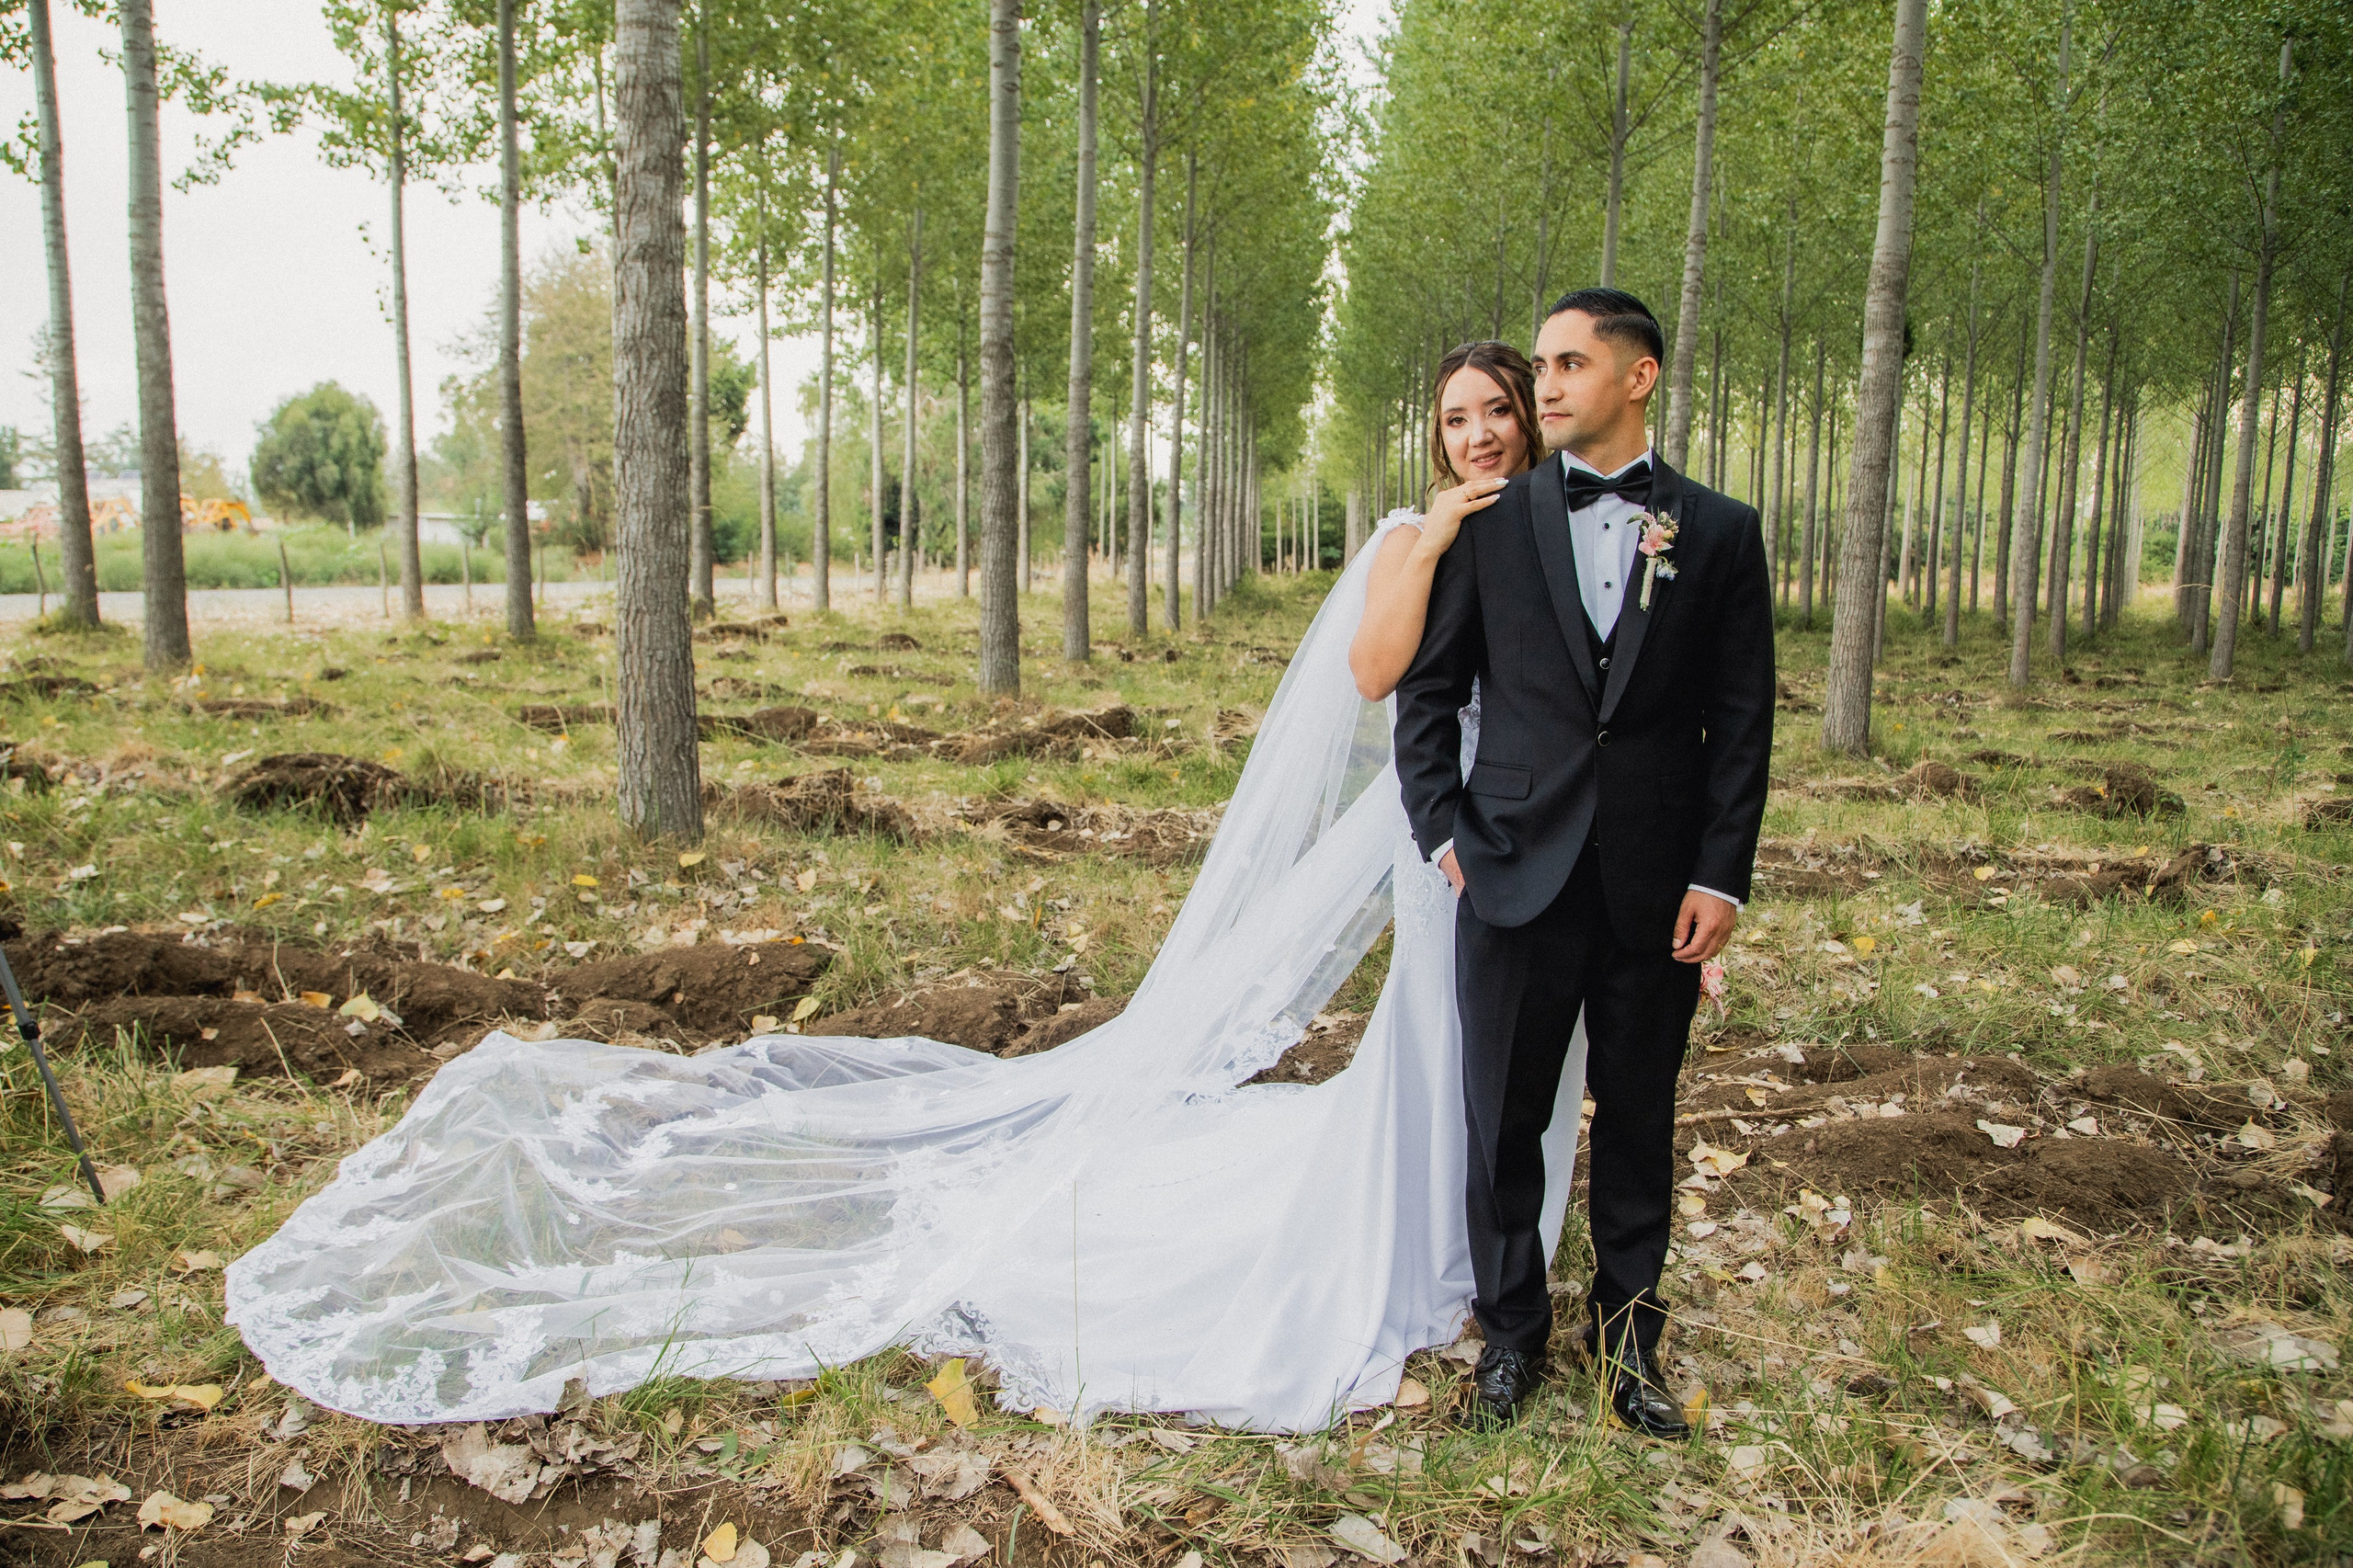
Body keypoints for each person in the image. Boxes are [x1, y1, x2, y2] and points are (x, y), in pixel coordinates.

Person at [223, 343, 1586, 1436]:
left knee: (1517, 1043)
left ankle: (1497, 1246)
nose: (1477, 433)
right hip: (1445, 824)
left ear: (1535, 416)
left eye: (1496, 412)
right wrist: (1431, 541)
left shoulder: (1556, 519)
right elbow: (1377, 677)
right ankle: (1420, 1253)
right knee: (1435, 1030)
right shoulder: (1424, 529)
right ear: (1437, 435)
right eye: (1456, 416)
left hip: (1551, 827)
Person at [1393, 287, 1775, 1437]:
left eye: (1566, 364)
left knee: (1640, 1119)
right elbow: (1428, 693)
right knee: (1502, 1120)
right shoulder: (1485, 523)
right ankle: (1510, 1341)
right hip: (1509, 869)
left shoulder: (1718, 531)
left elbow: (1740, 715)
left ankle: (1628, 1348)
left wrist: (1720, 875)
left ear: (1637, 376)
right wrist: (1446, 833)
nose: (1541, 386)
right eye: (1541, 366)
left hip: (1656, 888)